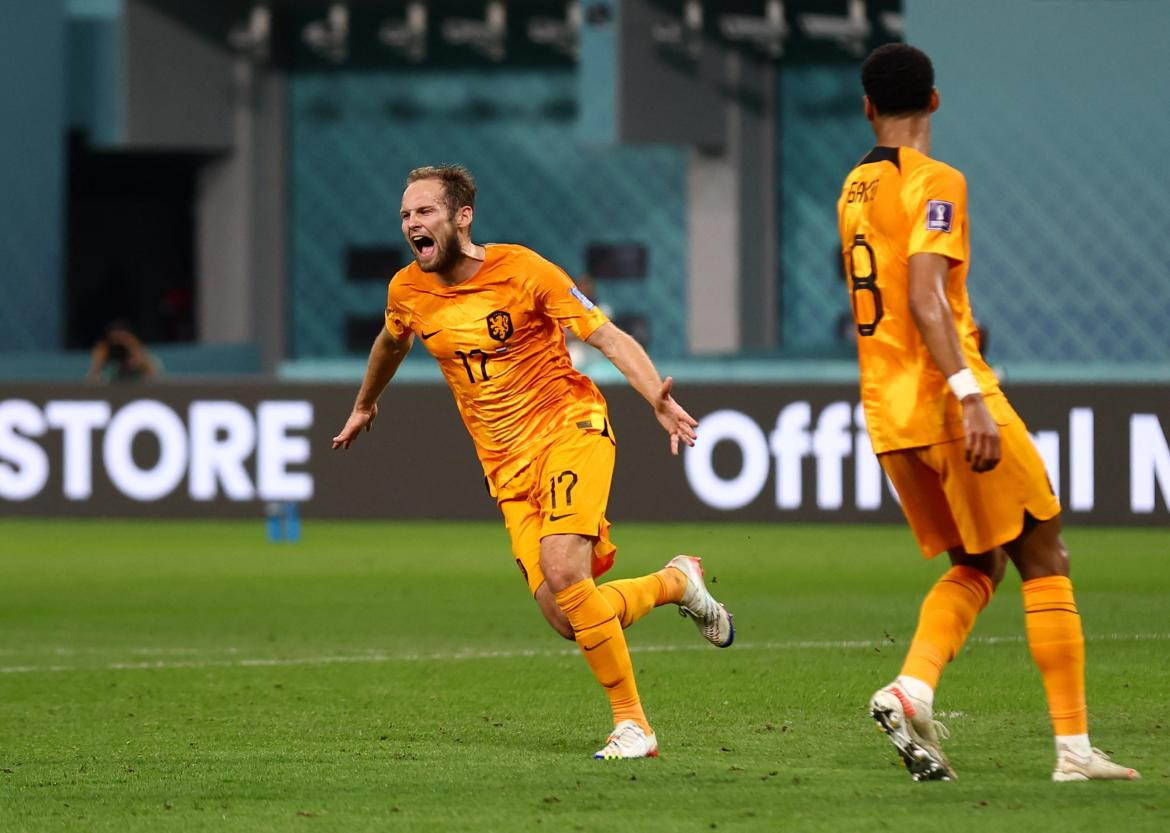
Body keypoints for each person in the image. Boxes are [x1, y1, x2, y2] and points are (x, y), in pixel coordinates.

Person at [332, 164, 734, 760]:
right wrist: (366, 404)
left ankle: (635, 726)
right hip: (506, 469)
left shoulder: (524, 270)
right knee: (570, 616)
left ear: (461, 217)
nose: (412, 223)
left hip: (569, 428)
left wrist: (656, 397)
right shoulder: (406, 291)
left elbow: (608, 338)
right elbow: (392, 341)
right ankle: (678, 582)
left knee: (566, 571)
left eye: (424, 211)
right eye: (406, 215)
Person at [837, 44, 1139, 782]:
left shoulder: (852, 186)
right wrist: (971, 390)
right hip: (948, 401)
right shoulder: (938, 181)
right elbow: (926, 297)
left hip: (888, 412)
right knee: (1046, 551)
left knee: (979, 561)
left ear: (867, 107)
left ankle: (911, 688)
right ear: (935, 101)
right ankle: (1073, 750)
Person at [87, 321, 160, 382]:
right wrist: (98, 362)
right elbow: (92, 378)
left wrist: (133, 351)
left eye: (121, 338)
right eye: (114, 339)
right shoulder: (105, 351)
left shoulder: (136, 348)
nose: (117, 342)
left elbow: (153, 375)